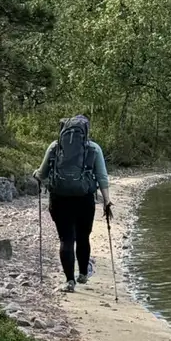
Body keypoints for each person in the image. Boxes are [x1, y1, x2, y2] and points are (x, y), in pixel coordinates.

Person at [37, 114, 110, 292]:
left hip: (59, 198)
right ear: (86, 131)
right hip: (84, 199)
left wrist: (37, 176)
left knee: (66, 239)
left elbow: (42, 173)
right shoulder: (93, 148)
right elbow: (102, 177)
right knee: (83, 237)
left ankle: (69, 281)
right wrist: (107, 201)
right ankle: (83, 274)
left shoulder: (54, 147)